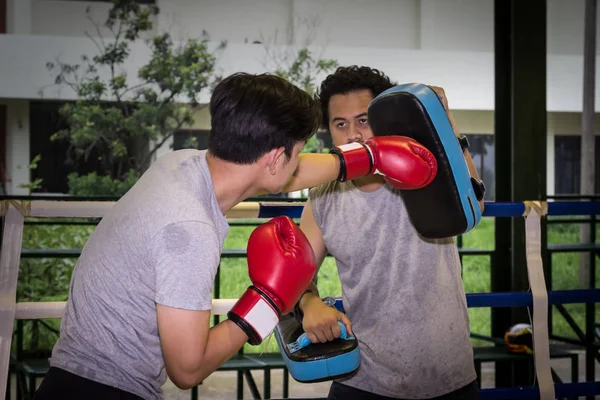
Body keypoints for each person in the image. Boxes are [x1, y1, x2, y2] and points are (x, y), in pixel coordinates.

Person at [33, 72, 437, 400]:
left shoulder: (178, 165)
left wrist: (368, 156)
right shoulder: (189, 229)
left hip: (69, 378)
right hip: (107, 390)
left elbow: (288, 174)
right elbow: (187, 369)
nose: (299, 165)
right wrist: (269, 302)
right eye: (296, 153)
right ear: (277, 157)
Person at [294, 66, 484, 400]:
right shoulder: (323, 197)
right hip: (363, 380)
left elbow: (473, 206)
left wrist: (444, 120)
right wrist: (310, 303)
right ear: (330, 133)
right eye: (341, 124)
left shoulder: (428, 172)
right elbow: (296, 273)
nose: (353, 134)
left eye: (363, 120)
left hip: (449, 377)